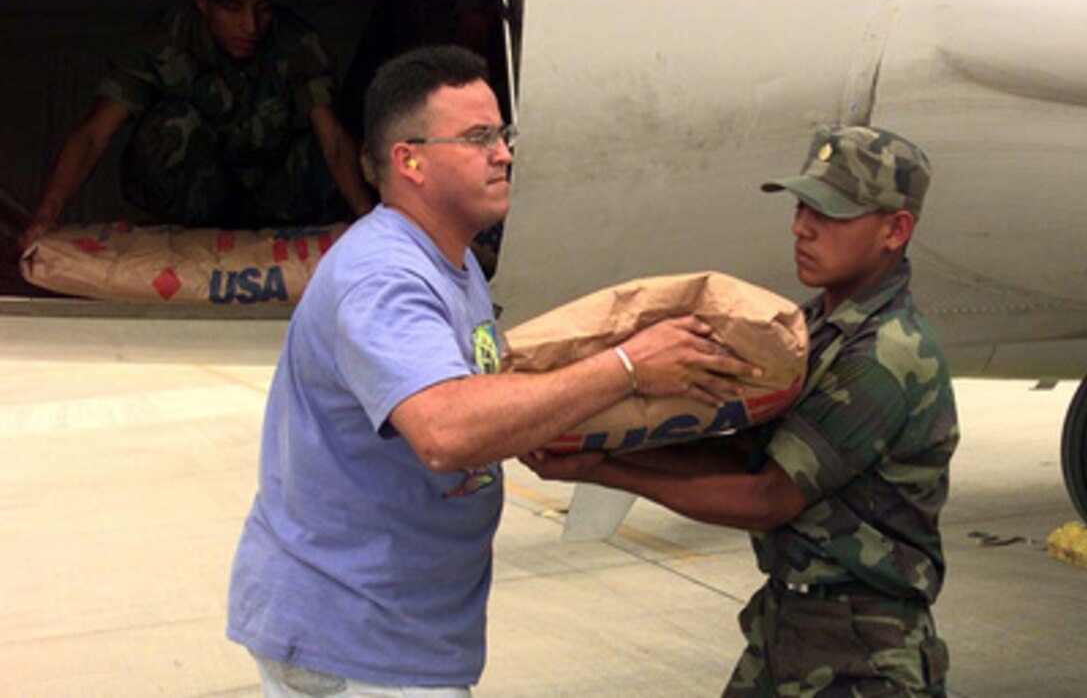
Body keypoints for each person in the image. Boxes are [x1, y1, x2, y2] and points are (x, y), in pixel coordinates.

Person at [226, 44, 759, 696]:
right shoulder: (385, 276)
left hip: (396, 632)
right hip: (356, 642)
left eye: (503, 135)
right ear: (409, 160)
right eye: (479, 137)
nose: (504, 153)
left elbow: (480, 399)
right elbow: (445, 432)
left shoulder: (454, 263)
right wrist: (627, 368)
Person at [523, 125, 960, 696]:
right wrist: (594, 436)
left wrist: (598, 470)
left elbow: (766, 496)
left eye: (831, 213)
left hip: (863, 650)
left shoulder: (887, 353)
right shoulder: (819, 327)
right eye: (803, 206)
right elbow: (742, 450)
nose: (802, 226)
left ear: (894, 230)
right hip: (792, 622)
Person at [18, 0, 371, 251]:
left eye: (261, 8)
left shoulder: (296, 43)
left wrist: (372, 223)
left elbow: (334, 142)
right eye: (233, 8)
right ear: (203, 1)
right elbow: (95, 135)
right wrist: (45, 217)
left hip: (273, 194)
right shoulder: (162, 42)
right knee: (175, 125)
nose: (250, 25)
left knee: (330, 145)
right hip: (195, 197)